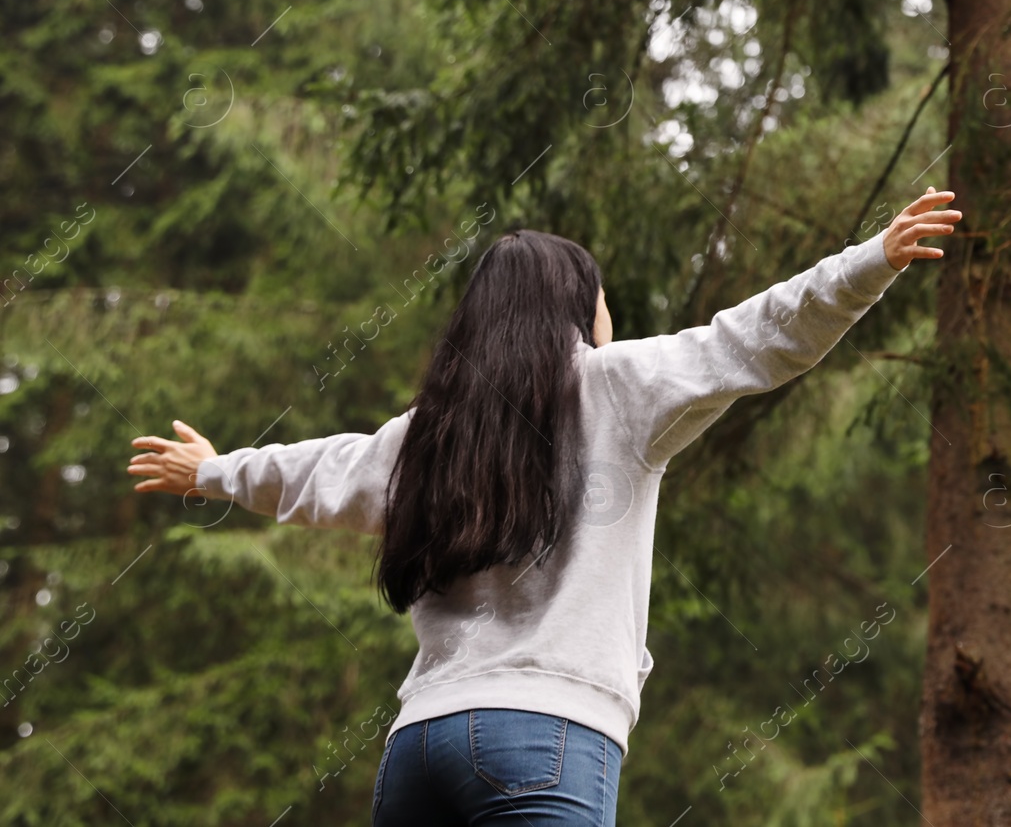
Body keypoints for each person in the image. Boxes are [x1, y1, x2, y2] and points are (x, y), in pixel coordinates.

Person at [126, 188, 961, 827]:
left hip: (417, 749)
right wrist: (870, 261)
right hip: (546, 738)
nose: (611, 318)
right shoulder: (616, 387)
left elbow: (316, 473)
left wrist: (216, 471)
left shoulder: (428, 433)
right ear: (575, 307)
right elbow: (750, 339)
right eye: (601, 302)